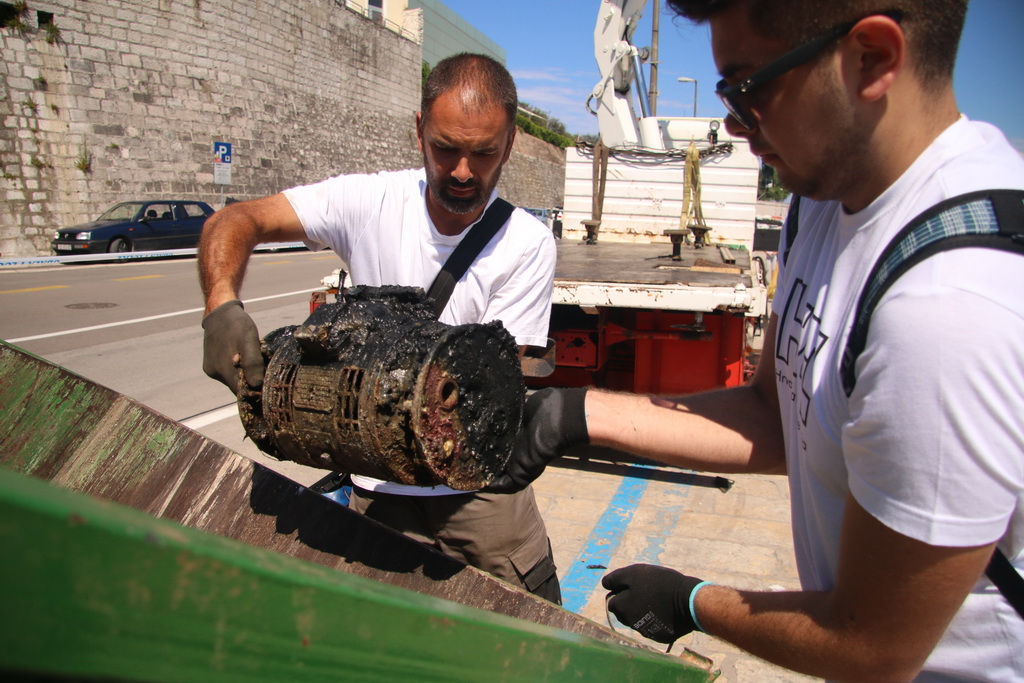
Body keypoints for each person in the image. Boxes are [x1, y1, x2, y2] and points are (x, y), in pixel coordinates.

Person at [489, 0, 1023, 678]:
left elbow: (872, 647)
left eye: (748, 88)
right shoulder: (823, 204)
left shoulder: (950, 307)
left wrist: (693, 602)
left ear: (872, 59)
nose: (736, 127)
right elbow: (778, 415)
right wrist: (575, 414)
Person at [198, 53, 561, 603]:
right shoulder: (368, 202)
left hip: (479, 495)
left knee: (527, 621)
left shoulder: (526, 244)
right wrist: (221, 304)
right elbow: (237, 219)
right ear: (419, 131)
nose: (464, 171)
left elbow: (491, 392)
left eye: (484, 153)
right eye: (446, 148)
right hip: (376, 483)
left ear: (509, 145)